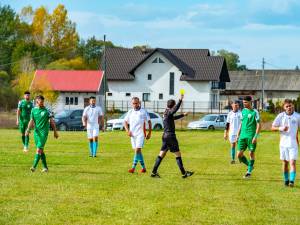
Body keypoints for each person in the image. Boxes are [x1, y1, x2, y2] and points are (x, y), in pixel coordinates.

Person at [151, 94, 193, 178]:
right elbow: (175, 110)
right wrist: (180, 100)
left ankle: (153, 172)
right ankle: (184, 174)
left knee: (161, 154)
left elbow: (173, 117)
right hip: (170, 136)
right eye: (174, 106)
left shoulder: (166, 112)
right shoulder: (170, 112)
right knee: (178, 154)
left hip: (165, 136)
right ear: (173, 106)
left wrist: (183, 115)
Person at [25, 95, 58, 172]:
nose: (42, 103)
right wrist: (28, 129)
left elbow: (52, 122)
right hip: (36, 133)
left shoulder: (47, 111)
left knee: (39, 149)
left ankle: (34, 167)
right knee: (41, 150)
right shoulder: (33, 110)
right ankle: (45, 168)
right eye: (41, 102)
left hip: (44, 133)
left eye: (43, 102)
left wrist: (55, 132)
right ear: (37, 101)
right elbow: (31, 120)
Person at [271, 99, 300, 187]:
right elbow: (272, 127)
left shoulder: (298, 116)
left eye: (290, 106)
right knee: (285, 163)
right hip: (283, 144)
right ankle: (286, 180)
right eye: (287, 106)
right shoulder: (281, 116)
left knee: (292, 162)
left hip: (293, 144)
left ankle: (291, 181)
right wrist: (281, 128)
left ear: (293, 106)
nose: (289, 108)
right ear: (284, 107)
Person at [124, 97, 152, 173]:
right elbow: (125, 122)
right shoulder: (130, 112)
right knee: (138, 152)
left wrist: (149, 132)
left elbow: (149, 122)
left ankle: (133, 168)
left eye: (136, 103)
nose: (135, 105)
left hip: (141, 134)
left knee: (137, 150)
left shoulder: (143, 111)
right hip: (133, 135)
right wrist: (127, 131)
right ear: (131, 103)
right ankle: (144, 168)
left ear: (139, 103)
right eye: (133, 103)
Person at [236, 96, 261, 179]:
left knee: (251, 153)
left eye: (245, 102)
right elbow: (241, 123)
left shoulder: (255, 112)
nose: (244, 104)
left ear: (250, 102)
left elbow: (258, 125)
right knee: (239, 155)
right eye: (243, 103)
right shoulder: (243, 111)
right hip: (242, 136)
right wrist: (238, 135)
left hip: (251, 136)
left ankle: (249, 172)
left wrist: (255, 136)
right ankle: (250, 166)